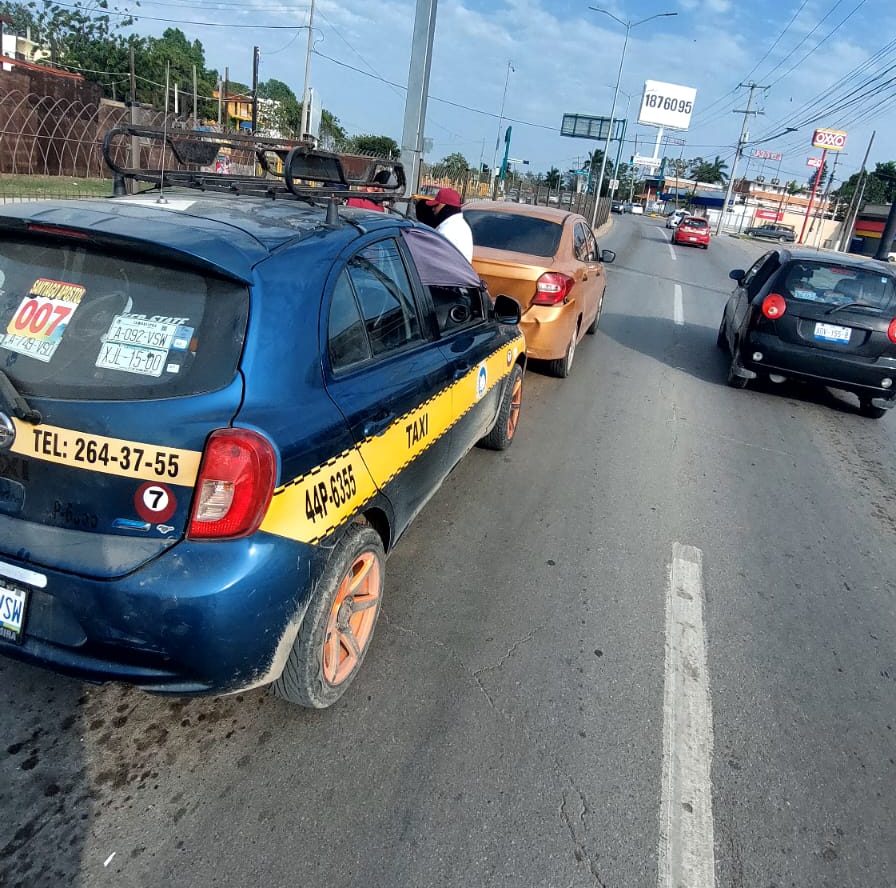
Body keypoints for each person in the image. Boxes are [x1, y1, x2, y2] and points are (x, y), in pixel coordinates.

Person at [421, 187, 474, 263]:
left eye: (436, 205)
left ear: (445, 206)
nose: (433, 209)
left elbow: (435, 261)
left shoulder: (447, 230)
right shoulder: (460, 224)